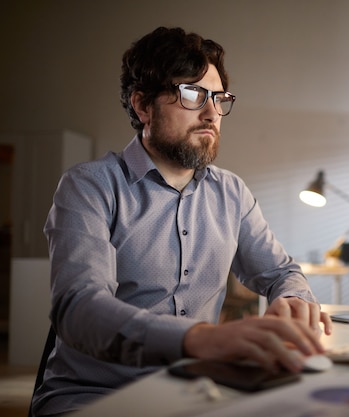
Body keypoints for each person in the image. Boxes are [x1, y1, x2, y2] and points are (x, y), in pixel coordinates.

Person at [31, 26, 332, 417]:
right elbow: (79, 308)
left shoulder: (232, 193)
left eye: (219, 98)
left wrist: (292, 298)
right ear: (143, 106)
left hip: (197, 393)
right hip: (96, 396)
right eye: (192, 94)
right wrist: (199, 339)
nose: (211, 113)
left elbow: (280, 271)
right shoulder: (89, 186)